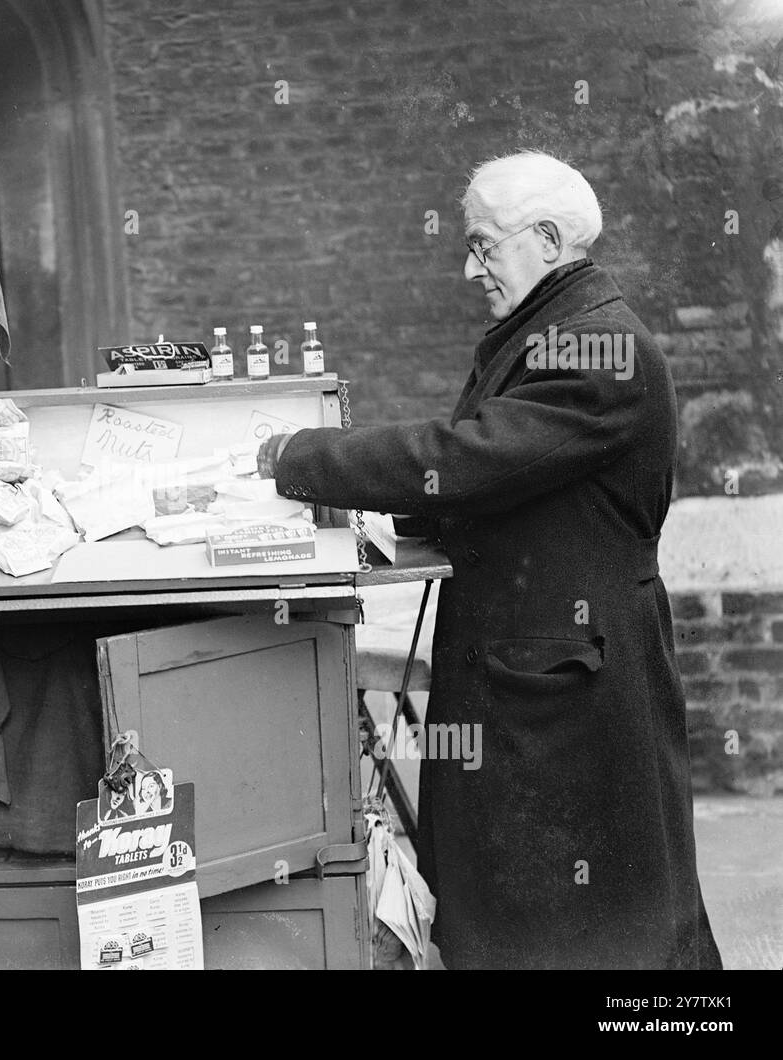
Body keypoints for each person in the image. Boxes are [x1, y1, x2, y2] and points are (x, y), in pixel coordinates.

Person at [258, 151, 722, 970]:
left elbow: (475, 455)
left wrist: (301, 458)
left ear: (546, 238)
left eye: (483, 244)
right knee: (527, 917)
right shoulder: (555, 330)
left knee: (585, 929)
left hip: (569, 693)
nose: (468, 266)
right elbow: (499, 476)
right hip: (544, 675)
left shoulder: (599, 347)